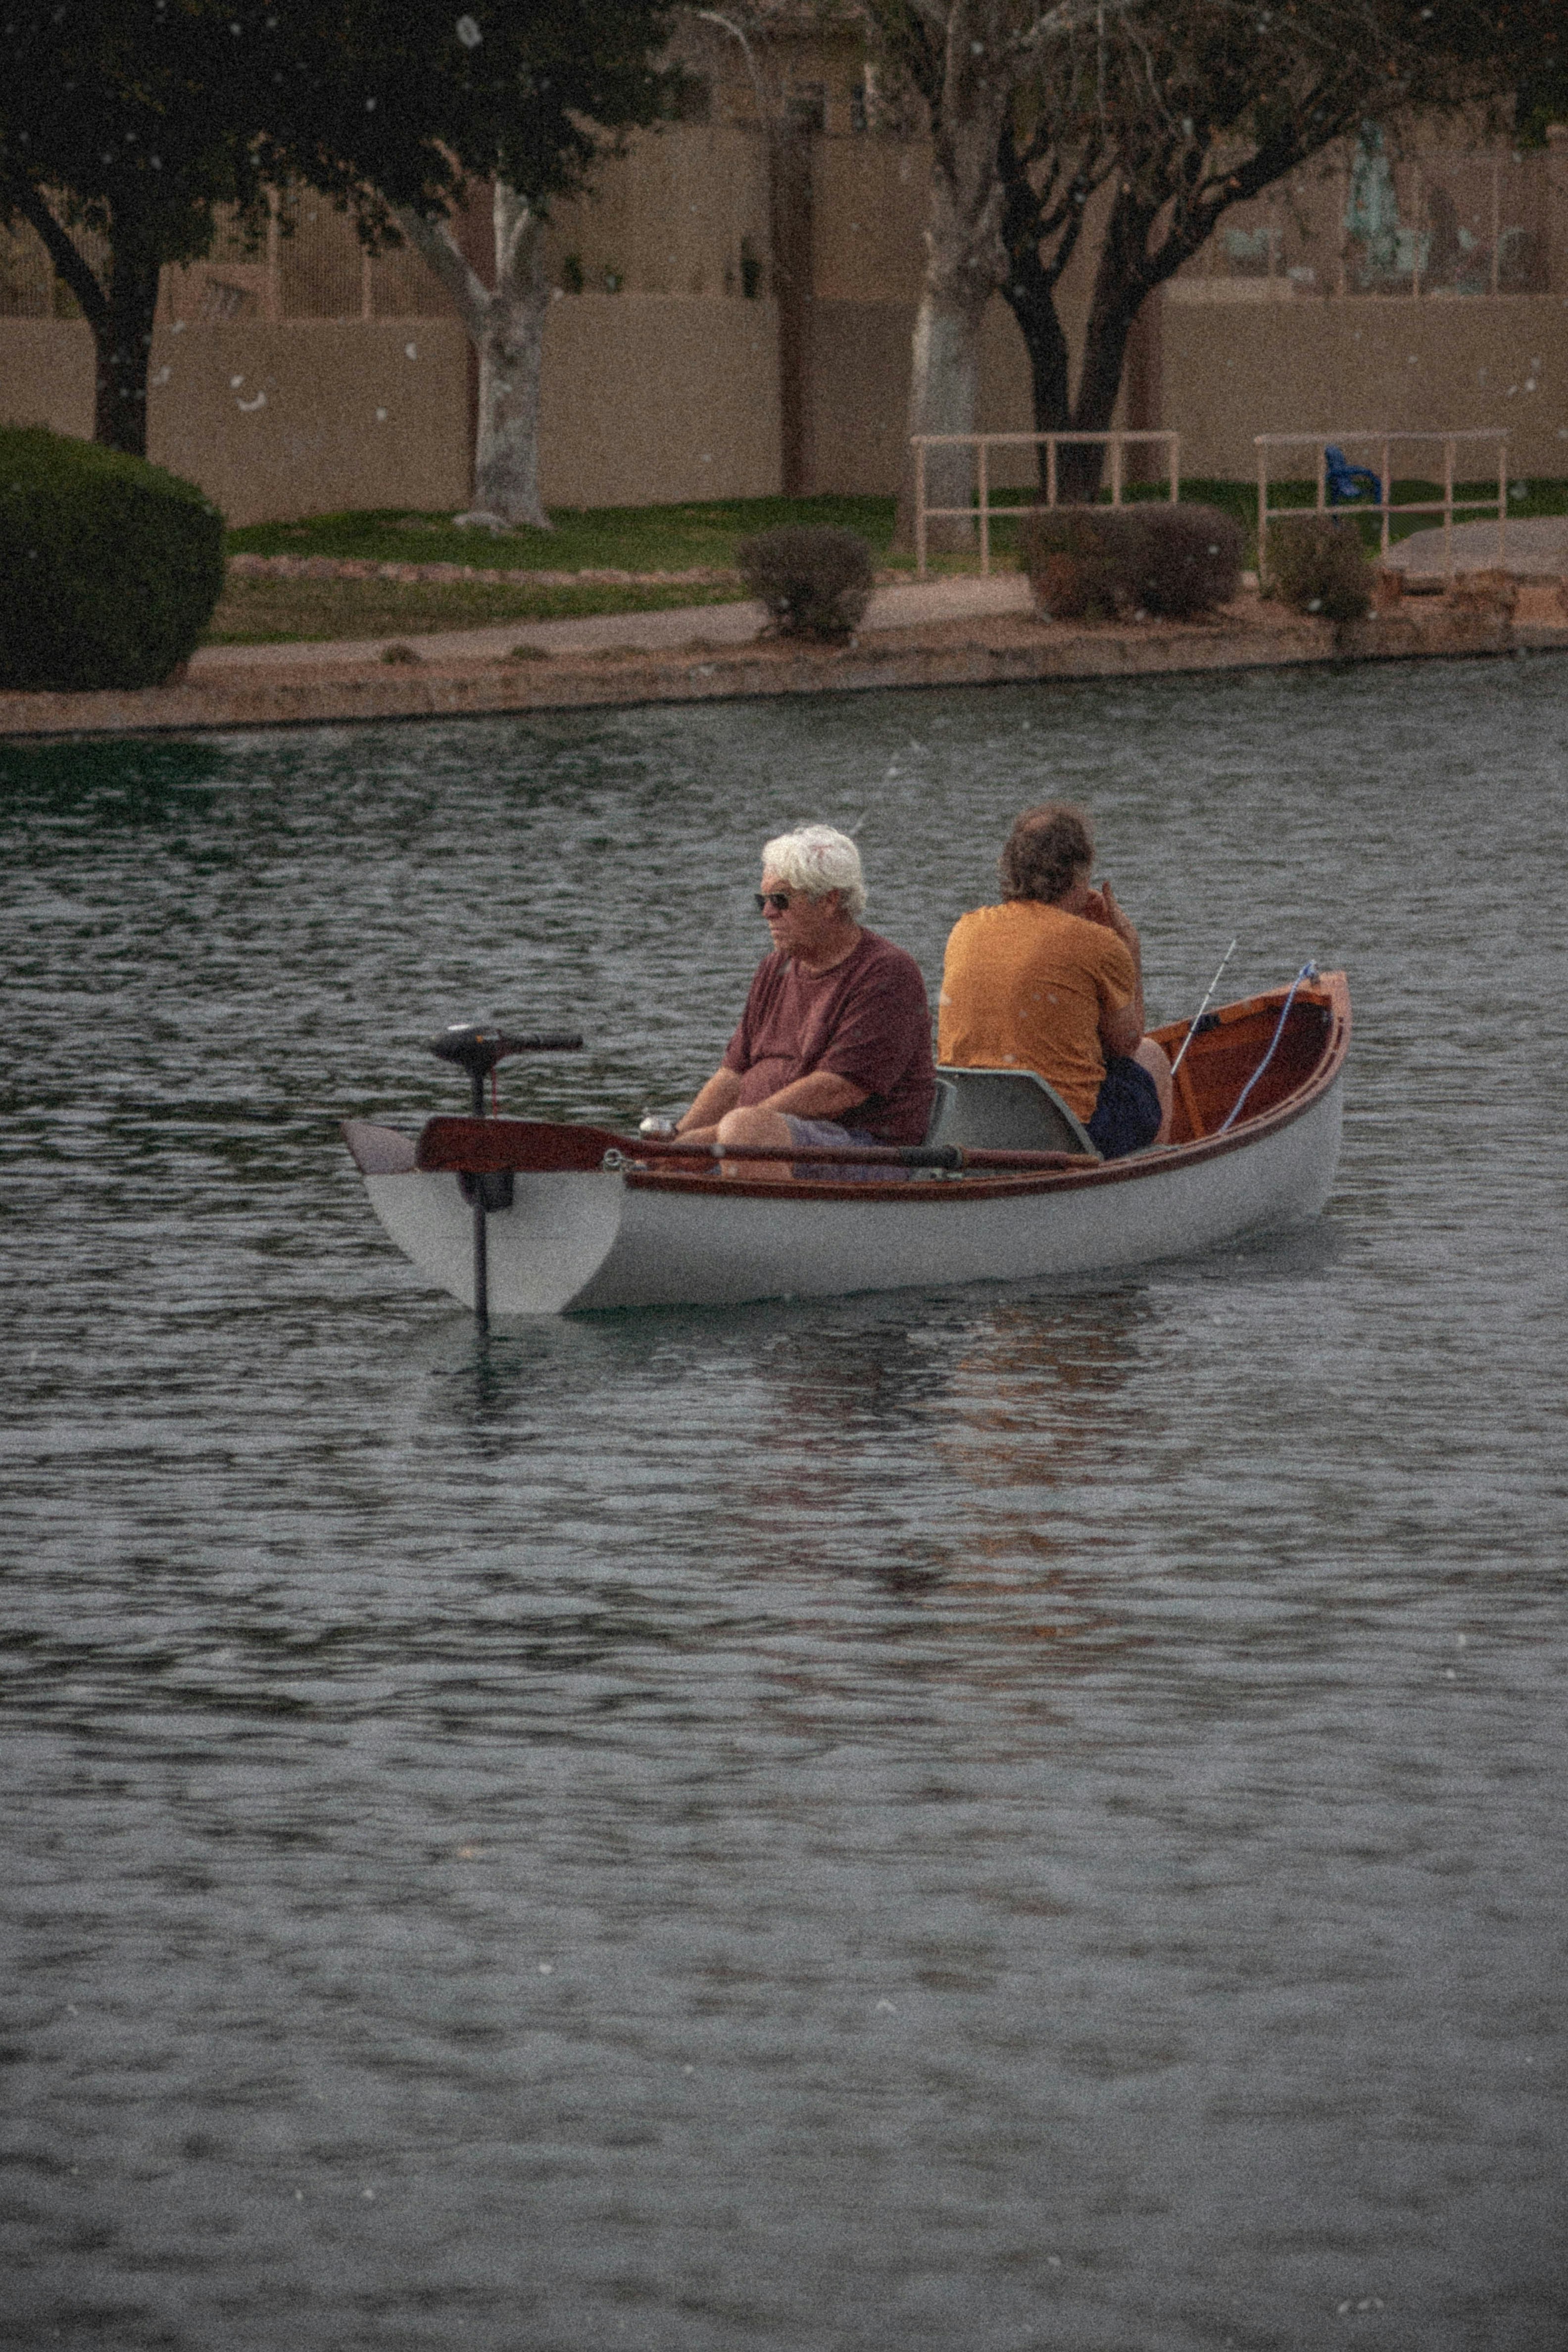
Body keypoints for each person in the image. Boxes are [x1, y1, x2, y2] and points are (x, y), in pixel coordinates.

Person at [672, 825, 935, 1178]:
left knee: (747, 1129)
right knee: (676, 1144)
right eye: (761, 901)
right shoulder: (773, 968)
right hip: (755, 1141)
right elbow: (732, 1075)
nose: (767, 913)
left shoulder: (887, 972)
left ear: (829, 901)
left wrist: (715, 1138)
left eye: (780, 900)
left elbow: (838, 1090)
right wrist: (673, 1143)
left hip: (866, 1149)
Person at [937, 802, 1173, 1158]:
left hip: (975, 1125)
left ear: (1012, 868)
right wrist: (1129, 948)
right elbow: (1126, 1043)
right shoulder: (1100, 943)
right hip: (1066, 1134)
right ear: (1079, 873)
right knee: (1151, 1055)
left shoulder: (966, 928)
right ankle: (1155, 1180)